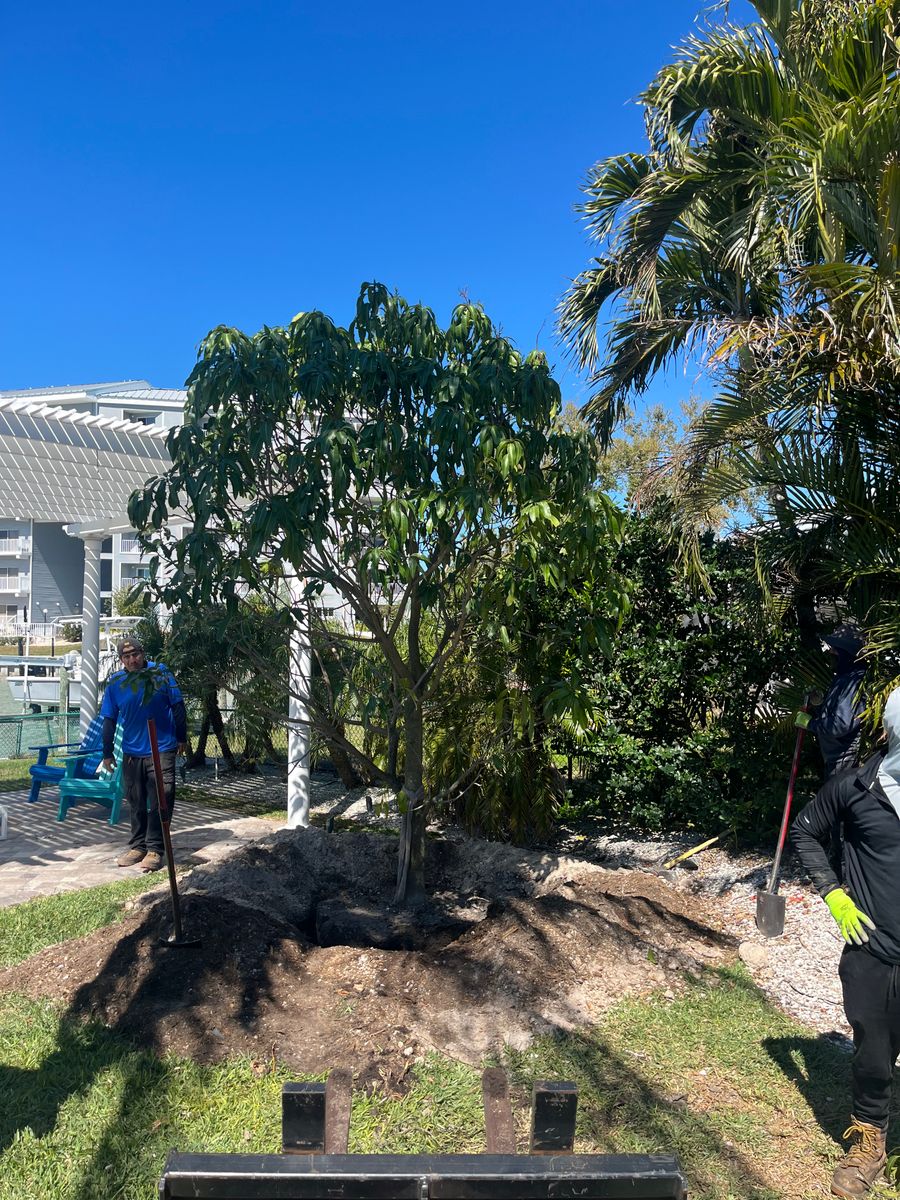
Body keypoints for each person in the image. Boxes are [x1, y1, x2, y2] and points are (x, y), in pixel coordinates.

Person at [791, 686, 900, 1198]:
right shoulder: (855, 787)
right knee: (873, 1054)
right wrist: (833, 894)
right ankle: (869, 1139)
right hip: (873, 949)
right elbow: (804, 831)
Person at [100, 636, 187, 872]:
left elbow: (178, 705)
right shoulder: (116, 683)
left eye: (135, 654)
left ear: (143, 653)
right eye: (126, 657)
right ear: (121, 660)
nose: (132, 660)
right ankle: (138, 846)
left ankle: (155, 849)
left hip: (162, 747)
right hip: (132, 752)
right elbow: (109, 719)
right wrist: (107, 753)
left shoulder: (161, 673)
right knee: (136, 800)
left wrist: (181, 737)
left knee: (162, 797)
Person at [797, 624, 867, 779]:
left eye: (835, 649)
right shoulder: (843, 677)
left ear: (846, 653)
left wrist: (810, 723)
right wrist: (819, 704)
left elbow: (840, 725)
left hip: (845, 762)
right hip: (836, 760)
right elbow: (836, 713)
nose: (830, 652)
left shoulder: (854, 681)